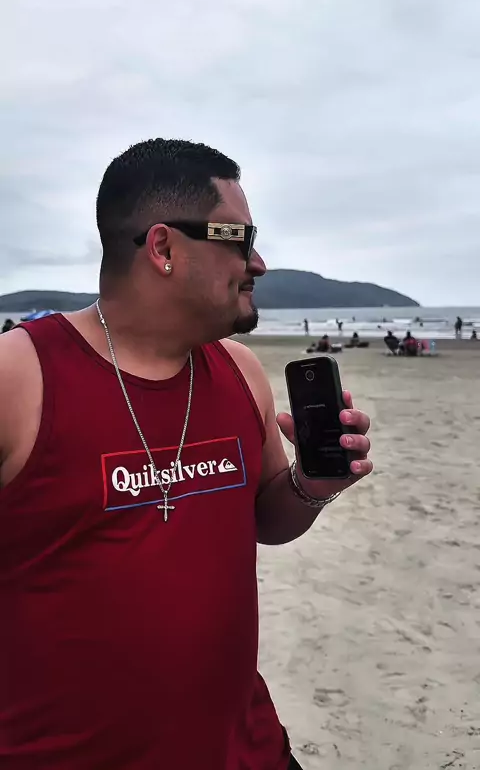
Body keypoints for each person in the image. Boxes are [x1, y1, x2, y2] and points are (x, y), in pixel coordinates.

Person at [0, 139, 372, 770]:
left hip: (246, 749)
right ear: (163, 248)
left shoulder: (240, 370)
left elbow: (266, 518)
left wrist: (310, 483)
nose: (258, 262)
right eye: (240, 238)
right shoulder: (21, 378)